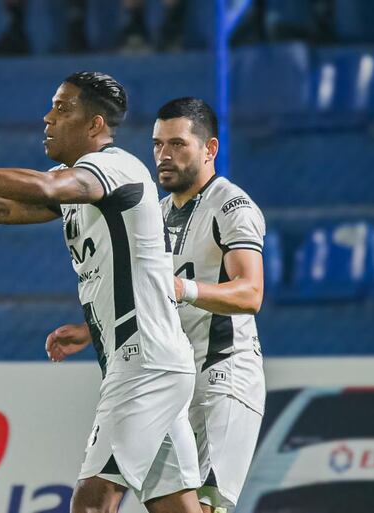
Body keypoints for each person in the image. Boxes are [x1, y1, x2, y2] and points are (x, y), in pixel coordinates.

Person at [0, 71, 202, 513]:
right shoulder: (78, 179)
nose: (48, 117)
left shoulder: (114, 167)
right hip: (146, 358)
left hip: (143, 361)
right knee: (178, 506)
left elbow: (45, 187)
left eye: (63, 108)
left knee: (90, 503)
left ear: (94, 125)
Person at [154, 97, 265, 513]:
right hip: (177, 381)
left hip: (224, 379)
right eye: (158, 144)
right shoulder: (158, 212)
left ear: (209, 149)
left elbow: (251, 293)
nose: (165, 155)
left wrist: (185, 289)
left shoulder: (232, 206)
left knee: (205, 508)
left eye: (178, 144)